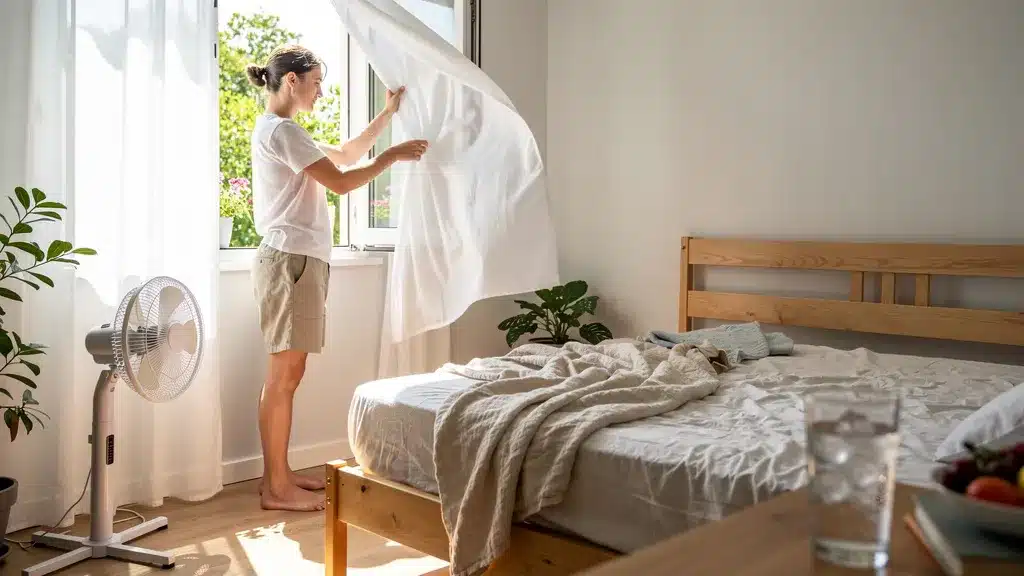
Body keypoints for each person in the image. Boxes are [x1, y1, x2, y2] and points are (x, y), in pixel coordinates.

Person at [245, 44, 428, 512]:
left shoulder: (284, 132)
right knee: (283, 377)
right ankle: (276, 488)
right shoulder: (282, 132)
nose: (321, 91)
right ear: (292, 80)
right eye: (317, 82)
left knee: (287, 375)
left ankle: (279, 477)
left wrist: (387, 113)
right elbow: (343, 182)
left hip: (296, 262)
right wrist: (393, 157)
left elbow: (346, 154)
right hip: (291, 262)